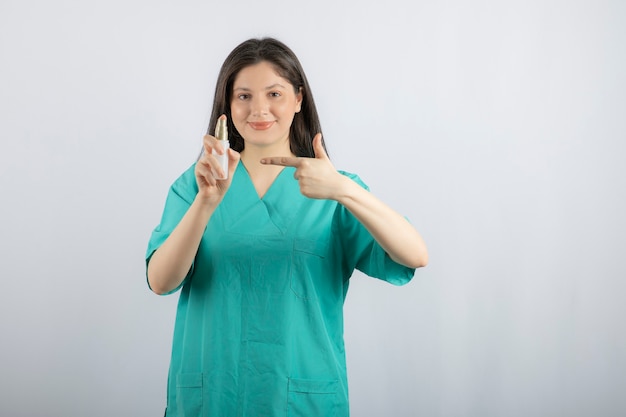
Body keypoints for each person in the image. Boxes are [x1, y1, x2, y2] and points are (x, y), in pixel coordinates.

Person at [146, 37, 428, 417]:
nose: (259, 108)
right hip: (215, 395)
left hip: (302, 399)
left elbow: (415, 254)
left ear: (298, 99)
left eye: (274, 93)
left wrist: (344, 190)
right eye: (243, 96)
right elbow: (161, 281)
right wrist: (206, 202)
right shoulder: (195, 187)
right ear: (227, 106)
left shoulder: (332, 189)